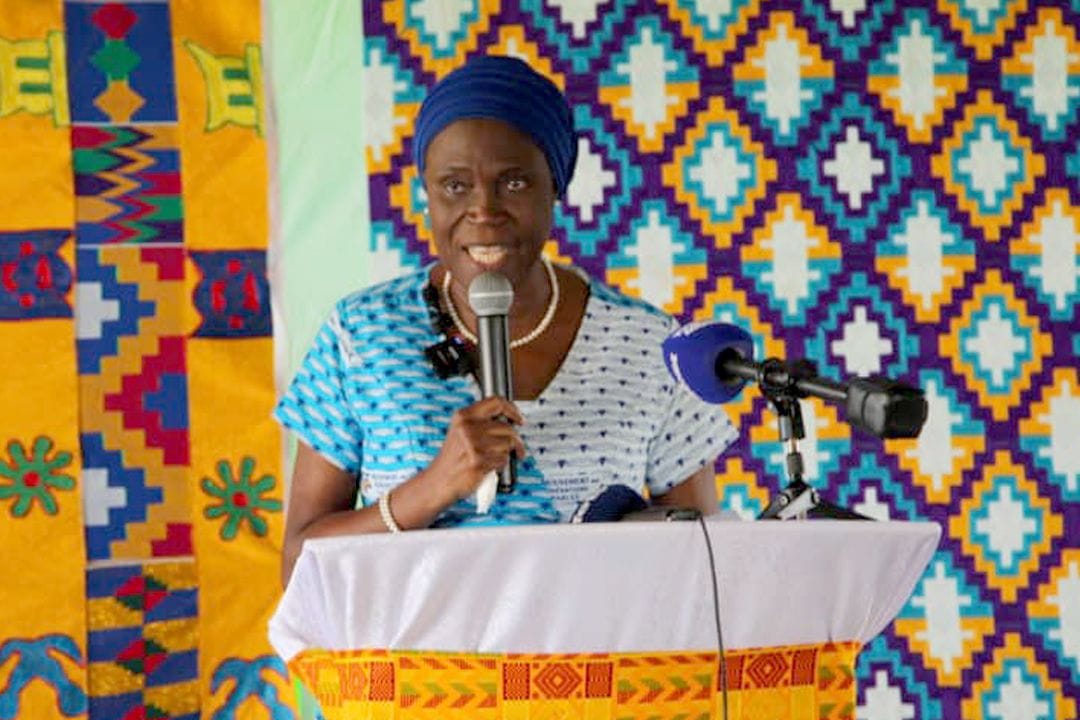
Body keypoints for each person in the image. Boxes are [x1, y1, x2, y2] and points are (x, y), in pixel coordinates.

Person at [275, 55, 738, 585]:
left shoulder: (649, 345)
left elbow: (707, 563)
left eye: (514, 183)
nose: (484, 210)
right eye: (454, 185)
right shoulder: (361, 334)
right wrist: (431, 489)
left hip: (595, 659)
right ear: (425, 193)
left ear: (555, 187)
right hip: (416, 664)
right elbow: (298, 566)